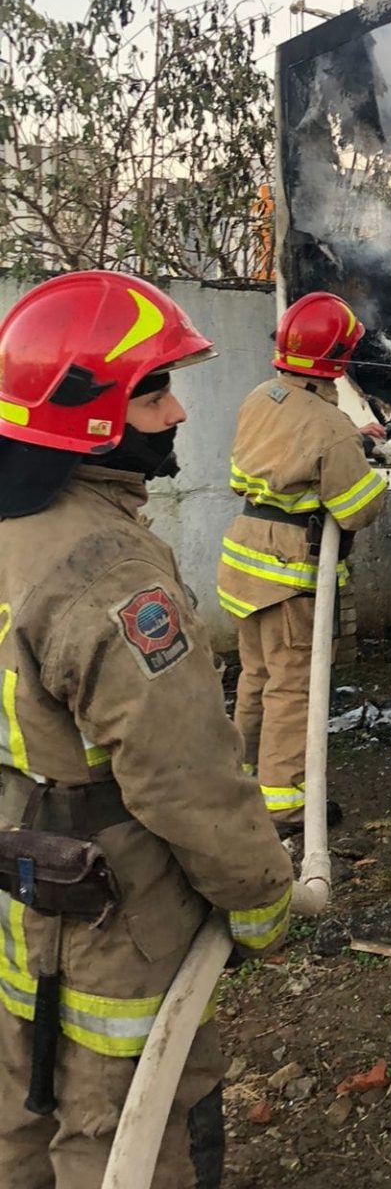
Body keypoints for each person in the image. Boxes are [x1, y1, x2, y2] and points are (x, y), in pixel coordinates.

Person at [0, 269, 294, 1189]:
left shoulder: (17, 532)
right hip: (114, 910)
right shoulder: (107, 570)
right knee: (125, 1130)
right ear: (88, 412)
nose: (175, 414)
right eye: (154, 391)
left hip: (20, 879)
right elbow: (182, 775)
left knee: (19, 1111)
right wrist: (259, 896)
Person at [218, 291, 389, 832]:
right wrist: (373, 469)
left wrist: (351, 444)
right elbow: (357, 511)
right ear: (339, 358)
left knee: (255, 677)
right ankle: (284, 803)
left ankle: (239, 780)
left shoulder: (261, 396)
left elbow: (290, 453)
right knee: (293, 689)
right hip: (291, 575)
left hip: (245, 563)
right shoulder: (330, 425)